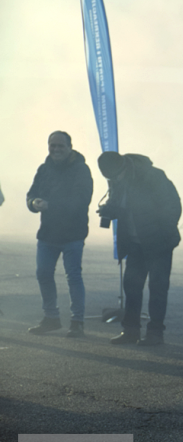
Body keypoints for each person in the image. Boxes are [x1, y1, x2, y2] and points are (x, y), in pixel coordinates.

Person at [96, 151, 181, 346]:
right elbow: (123, 205)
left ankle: (155, 334)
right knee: (132, 287)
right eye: (110, 178)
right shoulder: (116, 177)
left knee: (157, 289)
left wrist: (161, 231)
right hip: (136, 243)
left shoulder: (153, 176)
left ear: (125, 166)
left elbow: (173, 206)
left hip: (159, 243)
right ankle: (131, 331)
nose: (114, 179)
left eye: (117, 175)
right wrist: (110, 210)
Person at [26, 131, 93, 338]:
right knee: (43, 274)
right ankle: (51, 318)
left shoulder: (81, 170)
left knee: (73, 276)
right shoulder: (44, 169)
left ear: (70, 147)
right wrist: (33, 203)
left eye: (60, 146)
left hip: (73, 233)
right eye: (52, 146)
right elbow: (32, 193)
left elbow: (81, 201)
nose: (55, 149)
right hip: (48, 234)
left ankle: (77, 322)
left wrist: (51, 206)